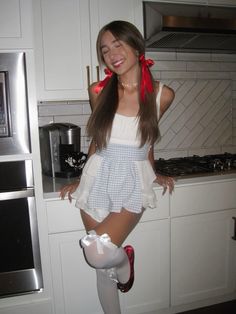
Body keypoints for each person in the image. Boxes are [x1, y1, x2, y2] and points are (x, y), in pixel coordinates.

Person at [60, 20, 175, 314]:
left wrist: (154, 171)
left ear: (137, 47)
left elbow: (147, 142)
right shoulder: (99, 90)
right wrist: (81, 177)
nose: (111, 53)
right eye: (105, 49)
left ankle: (125, 260)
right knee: (101, 269)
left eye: (117, 44)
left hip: (132, 180)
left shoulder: (162, 94)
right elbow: (98, 140)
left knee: (98, 254)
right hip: (97, 175)